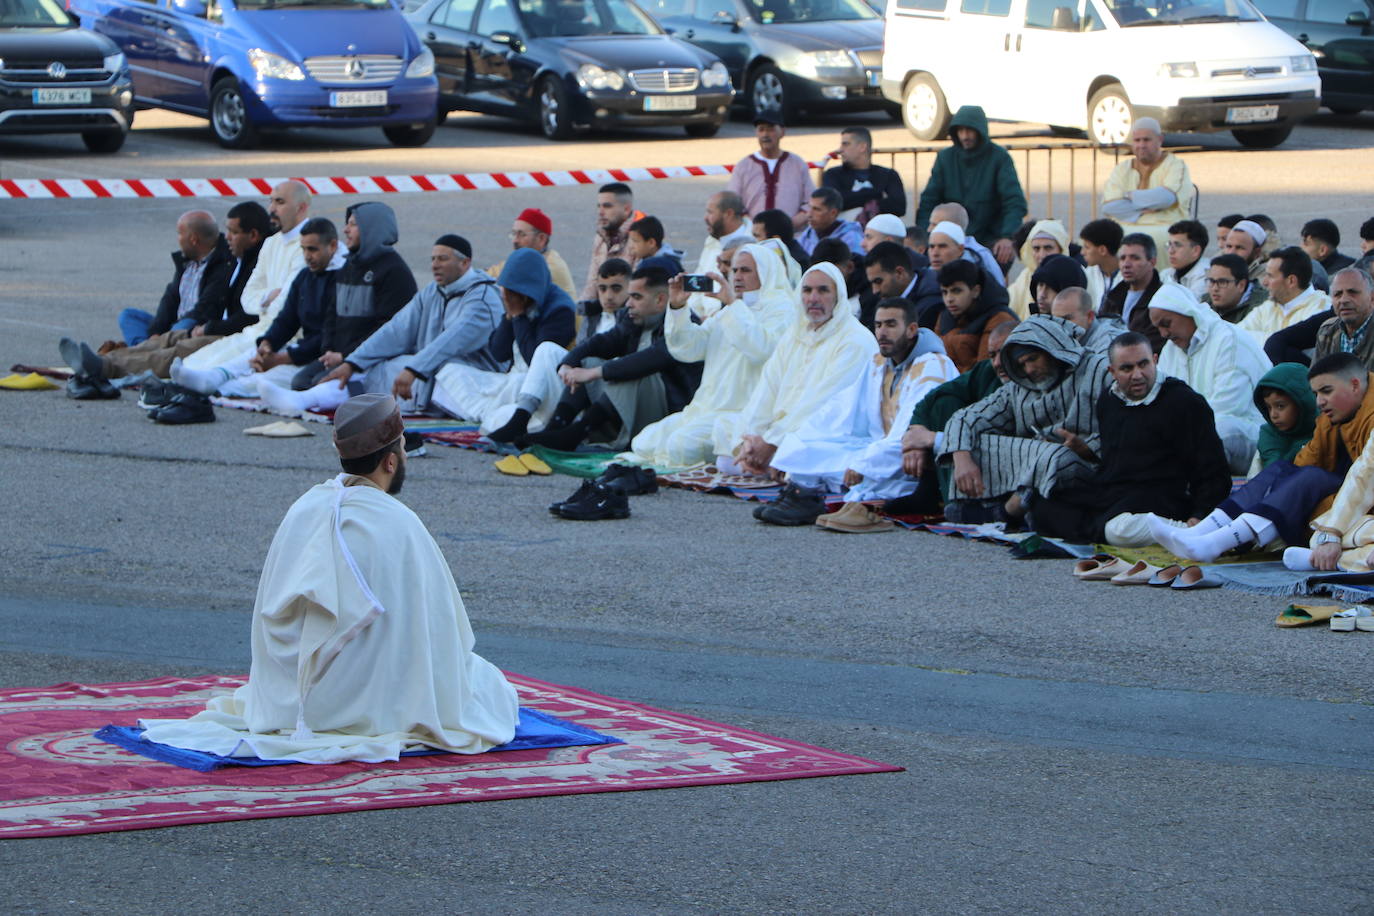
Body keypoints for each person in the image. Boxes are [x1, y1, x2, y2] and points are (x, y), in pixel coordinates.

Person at [138, 394, 518, 764]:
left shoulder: (304, 508)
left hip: (288, 702)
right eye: (401, 449)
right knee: (488, 687)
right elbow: (443, 637)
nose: (403, 458)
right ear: (389, 462)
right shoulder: (400, 523)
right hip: (372, 704)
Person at [1149, 352, 1374, 563]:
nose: (1319, 402)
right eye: (1315, 394)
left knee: (1310, 477)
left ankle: (1215, 542)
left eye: (1326, 391)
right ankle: (1202, 532)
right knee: (1283, 470)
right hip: (1337, 501)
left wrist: (1332, 529)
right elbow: (1305, 463)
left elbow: (1363, 477)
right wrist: (1284, 483)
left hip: (1360, 508)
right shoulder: (1332, 415)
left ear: (1355, 385)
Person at [765, 297, 958, 529]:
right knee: (812, 448)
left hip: (911, 455)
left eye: (890, 325)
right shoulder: (878, 361)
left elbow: (907, 431)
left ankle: (839, 504)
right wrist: (793, 445)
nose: (882, 333)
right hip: (879, 447)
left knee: (869, 476)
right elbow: (841, 408)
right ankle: (802, 496)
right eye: (878, 325)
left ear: (911, 329)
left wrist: (864, 463)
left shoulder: (932, 366)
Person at [1027, 332, 1231, 546]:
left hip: (1161, 497)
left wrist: (1200, 513)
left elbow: (1212, 470)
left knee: (1120, 530)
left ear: (1155, 360)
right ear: (1112, 371)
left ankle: (1192, 534)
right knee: (1044, 505)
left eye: (1143, 364)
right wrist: (1086, 452)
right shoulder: (1109, 399)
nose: (1137, 375)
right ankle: (1102, 530)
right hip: (1114, 495)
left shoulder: (1185, 402)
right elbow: (1116, 461)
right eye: (1127, 368)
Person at [272, 234, 504, 417]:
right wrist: (353, 362)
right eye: (433, 259)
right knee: (377, 367)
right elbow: (396, 329)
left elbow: (452, 341)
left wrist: (414, 369)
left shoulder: (483, 296)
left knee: (444, 372)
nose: (435, 265)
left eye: (443, 259)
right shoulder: (434, 291)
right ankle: (305, 400)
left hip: (472, 375)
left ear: (465, 263)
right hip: (429, 368)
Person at [626, 242, 796, 469]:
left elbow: (760, 349)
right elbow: (687, 349)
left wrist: (732, 304)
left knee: (680, 446)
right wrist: (678, 307)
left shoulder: (782, 310)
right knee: (643, 442)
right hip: (706, 409)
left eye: (745, 270)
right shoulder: (729, 311)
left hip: (740, 414)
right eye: (735, 270)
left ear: (766, 272)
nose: (737, 276)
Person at [68, 203, 274, 386]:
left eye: (233, 232)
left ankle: (105, 367)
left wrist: (209, 327)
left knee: (175, 352)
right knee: (159, 336)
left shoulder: (237, 262)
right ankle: (107, 359)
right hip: (215, 328)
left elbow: (248, 315)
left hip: (228, 333)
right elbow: (170, 299)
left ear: (253, 236)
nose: (227, 237)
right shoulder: (238, 260)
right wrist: (158, 330)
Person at [939, 314, 1111, 522]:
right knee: (972, 442)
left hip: (1088, 465)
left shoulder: (1098, 370)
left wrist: (1088, 447)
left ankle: (1004, 512)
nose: (1028, 369)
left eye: (1032, 359)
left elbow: (1126, 428)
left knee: (1055, 458)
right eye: (1021, 364)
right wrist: (962, 457)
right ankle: (994, 504)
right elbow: (966, 418)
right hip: (1037, 464)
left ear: (1051, 350)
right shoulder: (1019, 387)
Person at [732, 262, 878, 487]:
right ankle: (764, 458)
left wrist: (773, 442)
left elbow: (823, 405)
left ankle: (779, 465)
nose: (813, 298)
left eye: (823, 290)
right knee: (727, 448)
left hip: (831, 435)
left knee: (799, 462)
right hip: (782, 434)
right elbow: (766, 390)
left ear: (838, 296)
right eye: (807, 290)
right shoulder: (795, 334)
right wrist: (754, 438)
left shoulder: (856, 340)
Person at [527, 266, 703, 452]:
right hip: (641, 408)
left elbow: (649, 360)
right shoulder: (634, 317)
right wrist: (569, 363)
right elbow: (603, 341)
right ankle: (556, 428)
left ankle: (577, 432)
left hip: (673, 416)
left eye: (637, 297)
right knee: (590, 361)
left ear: (660, 300)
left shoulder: (685, 324)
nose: (628, 304)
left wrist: (592, 374)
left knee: (631, 372)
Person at [170, 217, 339, 397]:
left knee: (274, 376)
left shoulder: (341, 279)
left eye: (312, 249)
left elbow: (329, 335)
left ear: (333, 246)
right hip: (301, 346)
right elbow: (286, 318)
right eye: (303, 249)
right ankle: (214, 377)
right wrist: (267, 344)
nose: (307, 256)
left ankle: (225, 389)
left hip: (323, 354)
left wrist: (284, 358)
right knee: (252, 354)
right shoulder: (305, 275)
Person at [172, 180, 320, 381]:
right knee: (197, 362)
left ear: (301, 207)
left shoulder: (309, 246)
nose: (272, 209)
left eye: (279, 202)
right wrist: (268, 296)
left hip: (287, 335)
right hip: (258, 328)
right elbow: (248, 298)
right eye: (271, 201)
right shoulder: (271, 242)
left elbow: (286, 305)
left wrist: (268, 300)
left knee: (229, 371)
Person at [433, 248, 576, 437]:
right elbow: (499, 352)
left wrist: (518, 316)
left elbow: (536, 361)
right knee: (450, 371)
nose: (505, 296)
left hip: (540, 385)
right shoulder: (515, 301)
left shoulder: (560, 309)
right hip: (511, 380)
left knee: (516, 385)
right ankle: (488, 412)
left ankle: (493, 414)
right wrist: (509, 317)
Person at [1149, 283, 1270, 473]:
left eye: (1166, 323)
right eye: (1158, 328)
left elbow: (1228, 407)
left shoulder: (1228, 340)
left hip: (1249, 436)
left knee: (1220, 429)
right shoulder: (1170, 350)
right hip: (1189, 436)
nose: (1163, 334)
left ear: (1187, 312)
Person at [900, 319, 1017, 505]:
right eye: (992, 355)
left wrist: (933, 439)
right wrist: (915, 437)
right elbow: (931, 399)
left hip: (1008, 461)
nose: (997, 363)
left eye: (1004, 352)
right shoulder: (987, 370)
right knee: (944, 403)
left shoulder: (1032, 382)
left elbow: (1001, 440)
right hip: (973, 451)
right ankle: (944, 497)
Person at [915, 105, 1026, 268]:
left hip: (989, 238)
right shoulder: (945, 158)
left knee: (1000, 257)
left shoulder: (999, 158)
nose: (965, 136)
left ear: (980, 131)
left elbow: (1014, 202)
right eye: (960, 131)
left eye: (970, 130)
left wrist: (1007, 237)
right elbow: (929, 200)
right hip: (948, 238)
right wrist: (926, 236)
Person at [115, 210, 234, 347]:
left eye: (179, 234)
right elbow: (170, 300)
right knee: (128, 316)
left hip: (194, 326)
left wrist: (170, 333)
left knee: (184, 325)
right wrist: (156, 332)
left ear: (193, 239)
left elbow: (205, 309)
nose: (178, 239)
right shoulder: (186, 261)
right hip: (174, 325)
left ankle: (141, 352)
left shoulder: (224, 263)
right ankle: (148, 351)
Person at [1099, 118, 1195, 253]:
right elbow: (1109, 206)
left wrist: (1130, 196)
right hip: (1126, 226)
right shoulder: (1122, 168)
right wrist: (1150, 206)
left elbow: (1167, 198)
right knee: (1097, 239)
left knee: (1159, 241)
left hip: (1166, 225)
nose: (1141, 145)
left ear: (1160, 139)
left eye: (1146, 140)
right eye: (1137, 141)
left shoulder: (1175, 165)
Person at [727, 109, 814, 229]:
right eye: (761, 130)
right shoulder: (743, 166)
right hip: (752, 237)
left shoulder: (797, 164)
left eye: (770, 129)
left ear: (782, 132)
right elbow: (733, 204)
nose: (765, 135)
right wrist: (753, 227)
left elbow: (811, 202)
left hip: (791, 236)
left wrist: (790, 225)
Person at [1238, 245, 1331, 348]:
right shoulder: (1268, 306)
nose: (1264, 282)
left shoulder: (1321, 308)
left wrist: (1269, 340)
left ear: (1291, 281)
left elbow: (1297, 349)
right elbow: (1236, 336)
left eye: (1270, 276)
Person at [936, 259, 1016, 372]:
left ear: (975, 291)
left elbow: (984, 372)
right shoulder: (945, 317)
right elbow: (934, 361)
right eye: (945, 292)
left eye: (956, 291)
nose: (949, 299)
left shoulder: (999, 318)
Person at [822, 125, 906, 226]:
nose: (840, 150)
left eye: (846, 144)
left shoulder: (888, 175)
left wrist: (855, 199)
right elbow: (834, 203)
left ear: (862, 147)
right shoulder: (833, 174)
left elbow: (899, 206)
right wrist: (875, 195)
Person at [690, 191, 754, 318]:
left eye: (710, 212)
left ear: (728, 214)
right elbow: (698, 286)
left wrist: (716, 318)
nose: (705, 218)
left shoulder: (753, 247)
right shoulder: (712, 242)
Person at [489, 208, 576, 299]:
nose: (515, 240)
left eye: (522, 234)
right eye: (514, 234)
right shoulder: (525, 260)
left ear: (541, 239)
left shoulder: (547, 267)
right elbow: (492, 273)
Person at [1100, 232, 1165, 351]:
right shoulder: (1112, 297)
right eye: (1122, 258)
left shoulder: (1162, 300)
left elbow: (1151, 346)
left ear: (1152, 262)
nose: (1126, 264)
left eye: (1135, 258)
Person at [581, 182, 639, 301]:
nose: (600, 212)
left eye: (607, 206)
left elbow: (637, 289)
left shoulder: (640, 239)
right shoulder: (601, 235)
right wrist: (583, 308)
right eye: (599, 206)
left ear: (626, 209)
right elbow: (592, 283)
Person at [864, 241, 943, 328]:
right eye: (872, 283)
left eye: (878, 281)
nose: (875, 290)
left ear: (899, 273)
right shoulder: (880, 301)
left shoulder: (931, 306)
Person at [1253, 362, 1317, 469]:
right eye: (1268, 407)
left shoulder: (1322, 429)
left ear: (1302, 403)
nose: (1273, 415)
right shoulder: (1269, 433)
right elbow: (1274, 469)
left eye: (1280, 406)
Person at [926, 202, 1005, 284]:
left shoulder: (979, 257)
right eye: (932, 247)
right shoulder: (934, 251)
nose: (928, 229)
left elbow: (998, 291)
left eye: (934, 225)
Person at [1005, 220, 1070, 319]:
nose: (1042, 255)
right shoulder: (1025, 277)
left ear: (1061, 249)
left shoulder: (1074, 275)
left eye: (1048, 248)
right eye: (1036, 249)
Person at [1314, 267, 1374, 365]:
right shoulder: (1327, 332)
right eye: (1337, 294)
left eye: (1353, 292)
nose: (1344, 300)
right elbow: (1316, 379)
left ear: (1372, 298)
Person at [1050, 286, 1125, 354]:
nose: (1059, 326)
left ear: (1089, 316)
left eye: (1066, 319)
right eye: (1055, 320)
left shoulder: (1110, 344)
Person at [578, 258, 633, 344]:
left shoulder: (634, 318)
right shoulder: (590, 313)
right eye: (602, 289)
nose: (608, 296)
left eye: (616, 289)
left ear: (630, 288)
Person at [797, 187, 864, 256]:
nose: (809, 214)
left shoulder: (851, 239)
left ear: (833, 213)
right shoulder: (806, 235)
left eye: (816, 209)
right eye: (809, 207)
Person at [1222, 219, 1272, 309]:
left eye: (1239, 248)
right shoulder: (1215, 271)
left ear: (1257, 252)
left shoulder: (1266, 276)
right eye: (1229, 246)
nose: (1231, 252)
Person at [1078, 218, 1123, 310]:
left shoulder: (1127, 276)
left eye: (1087, 247)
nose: (1082, 252)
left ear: (1102, 250)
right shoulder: (1088, 274)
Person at [1159, 219, 1211, 299]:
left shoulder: (1206, 275)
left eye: (1177, 245)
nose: (1170, 251)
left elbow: (1189, 307)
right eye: (1169, 244)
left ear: (1195, 250)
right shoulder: (1166, 274)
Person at [1206, 253, 1256, 324]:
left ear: (1241, 285)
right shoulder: (1205, 302)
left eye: (1222, 282)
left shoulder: (1259, 309)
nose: (1215, 288)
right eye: (1212, 281)